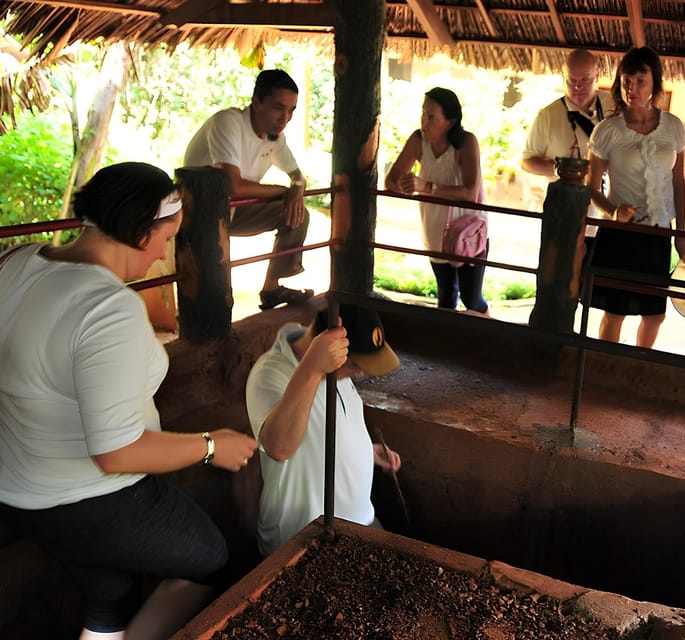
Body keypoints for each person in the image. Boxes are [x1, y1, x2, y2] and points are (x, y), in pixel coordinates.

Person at [0, 162, 258, 640]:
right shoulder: (106, 307)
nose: (165, 251)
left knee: (108, 588)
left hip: (15, 486)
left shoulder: (17, 262)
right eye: (167, 237)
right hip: (85, 497)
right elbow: (116, 453)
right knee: (211, 559)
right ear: (143, 233)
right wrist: (210, 445)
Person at [245, 303, 403, 557]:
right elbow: (279, 447)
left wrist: (365, 450)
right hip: (305, 537)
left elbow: (328, 426)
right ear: (327, 344)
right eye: (354, 364)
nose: (360, 373)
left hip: (360, 520)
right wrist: (312, 369)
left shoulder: (338, 370)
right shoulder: (270, 374)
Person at [586, 46, 685, 348]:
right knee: (615, 311)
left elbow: (679, 182)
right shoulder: (607, 131)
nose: (632, 88)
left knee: (655, 314)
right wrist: (612, 210)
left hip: (659, 232)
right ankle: (605, 367)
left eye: (640, 81)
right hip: (621, 233)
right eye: (626, 80)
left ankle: (637, 367)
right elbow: (591, 188)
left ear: (655, 83)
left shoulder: (673, 127)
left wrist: (680, 231)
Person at [183, 69, 313, 310]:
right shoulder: (228, 122)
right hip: (201, 215)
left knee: (298, 215)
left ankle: (271, 289)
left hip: (234, 210)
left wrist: (296, 186)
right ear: (256, 102)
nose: (285, 117)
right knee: (215, 301)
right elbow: (233, 186)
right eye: (278, 107)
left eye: (291, 110)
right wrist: (285, 191)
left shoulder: (275, 138)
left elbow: (297, 176)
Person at [385, 87, 488, 314]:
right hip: (435, 231)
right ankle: (445, 344)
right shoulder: (418, 141)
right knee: (446, 295)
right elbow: (391, 180)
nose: (424, 122)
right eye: (423, 114)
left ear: (450, 122)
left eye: (431, 117)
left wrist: (427, 187)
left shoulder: (466, 143)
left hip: (468, 232)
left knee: (472, 298)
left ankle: (487, 336)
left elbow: (471, 192)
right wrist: (405, 186)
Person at [521, 48, 616, 236]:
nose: (577, 87)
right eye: (571, 80)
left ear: (597, 76)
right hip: (566, 214)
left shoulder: (614, 106)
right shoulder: (547, 116)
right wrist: (562, 169)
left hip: (612, 211)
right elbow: (527, 161)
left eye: (585, 80)